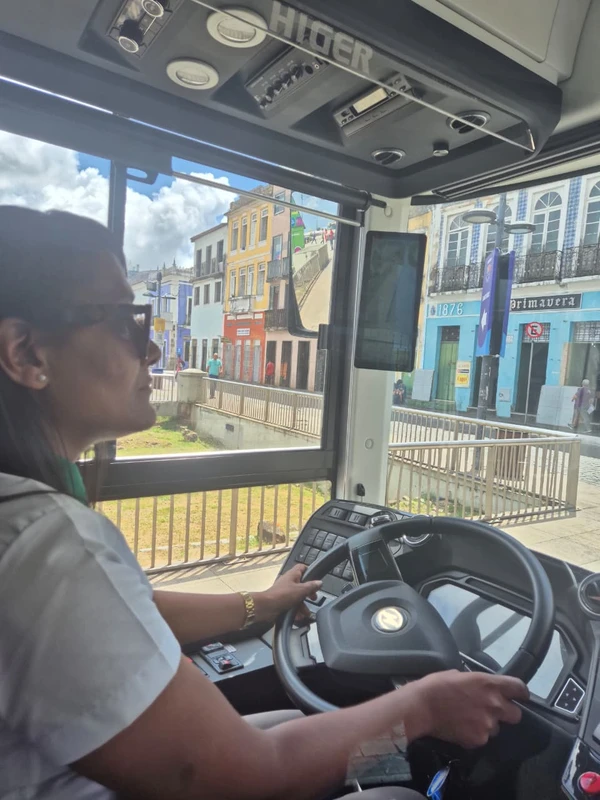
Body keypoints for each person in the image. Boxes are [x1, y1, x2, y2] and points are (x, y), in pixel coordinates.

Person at [0, 206, 529, 800]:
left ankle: (397, 763)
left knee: (299, 725)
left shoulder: (35, 536)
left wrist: (264, 604)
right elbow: (250, 776)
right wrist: (425, 708)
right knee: (397, 793)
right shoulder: (46, 545)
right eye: (127, 322)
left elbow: (128, 610)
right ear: (26, 353)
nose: (151, 351)